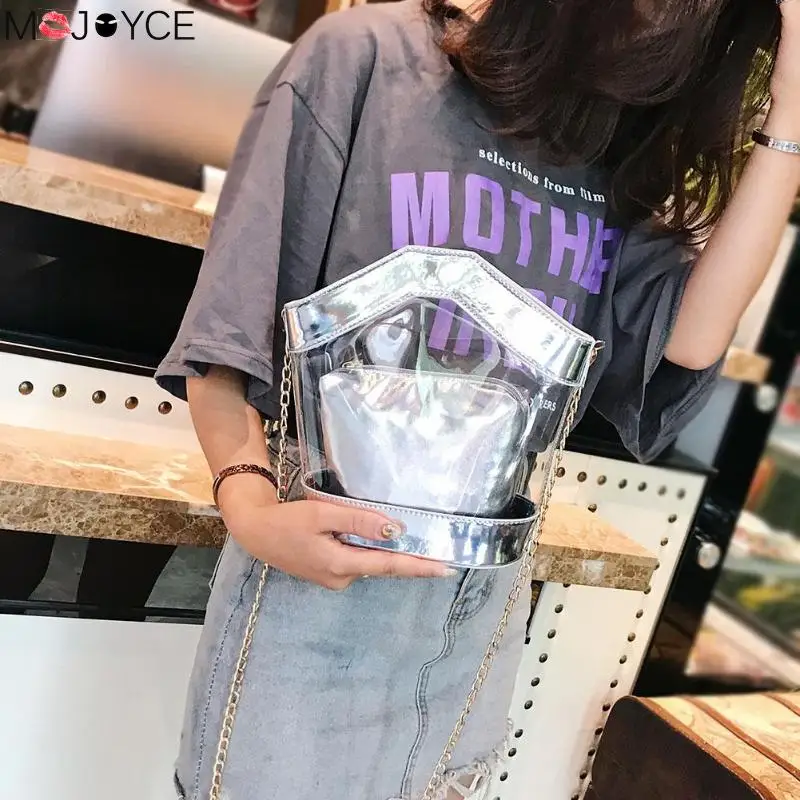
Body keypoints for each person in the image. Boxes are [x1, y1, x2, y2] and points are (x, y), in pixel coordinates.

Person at [155, 1, 799, 798]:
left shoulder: (609, 143)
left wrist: (792, 108)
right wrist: (248, 504)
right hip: (322, 589)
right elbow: (228, 328)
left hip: (484, 608)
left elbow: (692, 339)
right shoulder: (368, 57)